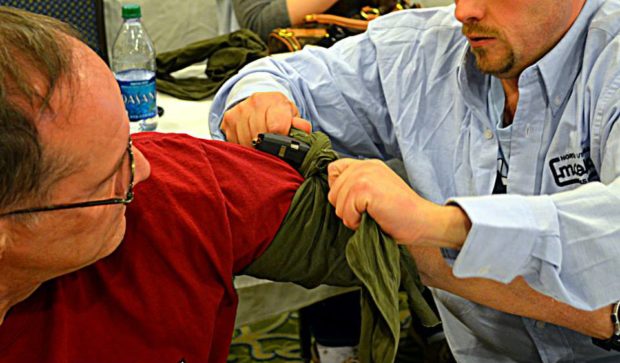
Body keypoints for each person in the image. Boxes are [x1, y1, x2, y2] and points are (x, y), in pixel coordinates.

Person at [0, 7, 435, 363]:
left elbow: (386, 241)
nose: (144, 169)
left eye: (128, 143)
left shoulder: (175, 189)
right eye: (109, 177)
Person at [209, 0, 620, 361]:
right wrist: (259, 101)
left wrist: (440, 226)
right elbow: (281, 75)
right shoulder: (424, 48)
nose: (465, 11)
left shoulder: (611, 59)